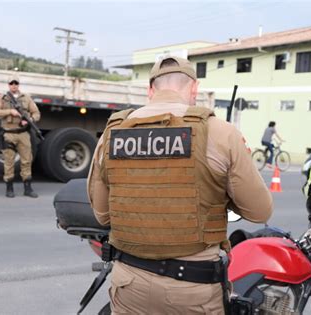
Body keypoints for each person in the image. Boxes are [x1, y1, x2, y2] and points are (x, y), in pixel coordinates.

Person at [87, 56, 273, 314]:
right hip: (193, 290)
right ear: (194, 88)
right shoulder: (221, 132)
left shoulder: (113, 132)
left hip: (129, 284)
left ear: (151, 90)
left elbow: (102, 214)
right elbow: (259, 211)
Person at [0, 74, 40, 198]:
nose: (14, 85)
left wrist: (29, 120)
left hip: (23, 133)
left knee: (27, 161)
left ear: (18, 85)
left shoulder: (26, 98)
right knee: (9, 162)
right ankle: (9, 188)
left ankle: (27, 188)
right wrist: (10, 111)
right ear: (8, 85)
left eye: (16, 83)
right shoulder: (2, 98)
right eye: (11, 83)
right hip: (9, 134)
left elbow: (36, 113)